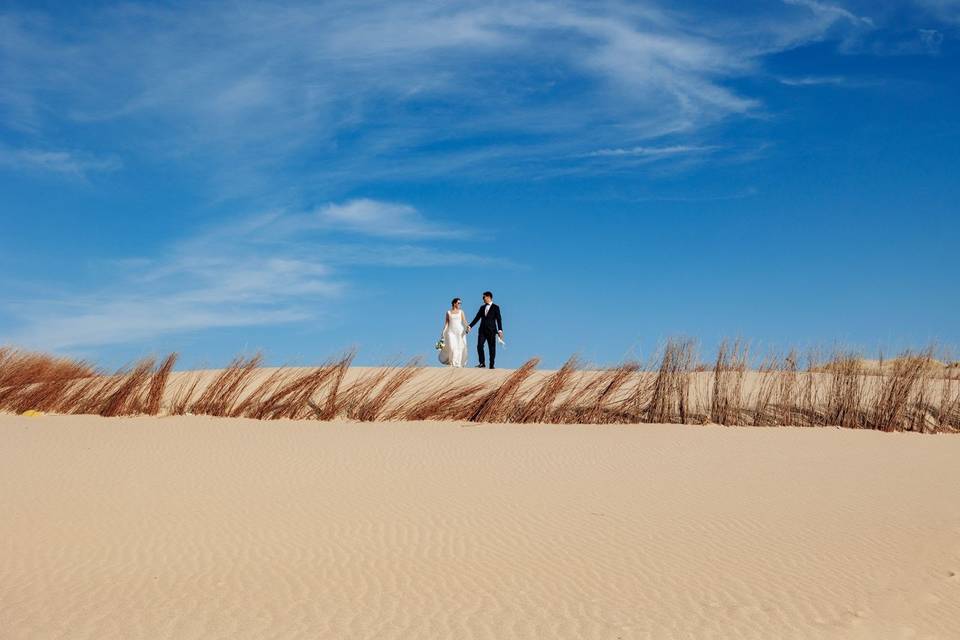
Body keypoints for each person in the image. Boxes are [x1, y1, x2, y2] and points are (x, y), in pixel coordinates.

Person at [469, 291, 503, 369]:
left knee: (492, 348)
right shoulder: (482, 307)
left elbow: (499, 319)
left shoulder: (496, 307)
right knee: (479, 346)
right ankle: (482, 363)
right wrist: (470, 326)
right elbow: (477, 318)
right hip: (482, 330)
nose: (483, 299)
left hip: (492, 330)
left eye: (483, 297)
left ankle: (491, 364)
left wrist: (500, 330)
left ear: (488, 297)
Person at [438, 297, 469, 367]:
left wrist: (467, 327)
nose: (459, 304)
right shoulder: (448, 312)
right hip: (450, 332)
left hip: (459, 332)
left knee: (459, 347)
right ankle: (452, 362)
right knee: (452, 347)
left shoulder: (461, 312)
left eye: (460, 303)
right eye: (458, 303)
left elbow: (464, 321)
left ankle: (457, 363)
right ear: (454, 303)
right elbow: (446, 323)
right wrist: (443, 332)